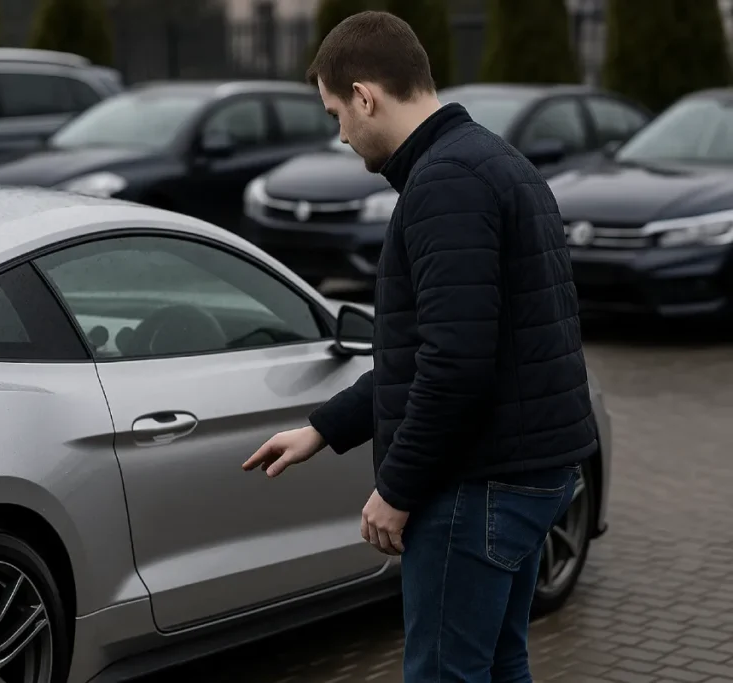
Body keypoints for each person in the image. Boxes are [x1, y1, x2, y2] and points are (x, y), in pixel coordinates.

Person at [242, 10, 598, 683]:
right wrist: (322, 427)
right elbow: (451, 348)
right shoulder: (494, 161)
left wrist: (396, 489)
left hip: (478, 483)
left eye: (335, 113)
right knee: (497, 663)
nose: (340, 135)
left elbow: (456, 365)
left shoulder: (445, 183)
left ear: (365, 96)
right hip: (531, 472)